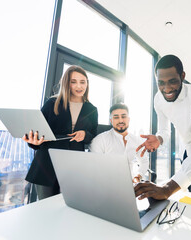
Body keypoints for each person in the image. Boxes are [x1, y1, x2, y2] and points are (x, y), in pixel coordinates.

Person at [135, 54, 191, 200]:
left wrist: (167, 189)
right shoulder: (158, 99)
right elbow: (164, 130)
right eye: (161, 83)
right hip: (186, 150)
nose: (166, 89)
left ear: (182, 76)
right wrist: (159, 138)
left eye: (172, 81)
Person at [23, 65, 98, 200]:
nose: (79, 86)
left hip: (73, 164)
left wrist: (85, 135)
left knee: (68, 207)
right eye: (73, 81)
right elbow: (38, 131)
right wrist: (33, 142)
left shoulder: (91, 109)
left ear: (87, 83)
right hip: (47, 162)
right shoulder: (52, 103)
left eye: (83, 82)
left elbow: (93, 135)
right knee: (46, 209)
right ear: (66, 83)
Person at [90, 103, 149, 183]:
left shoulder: (136, 140)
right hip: (106, 184)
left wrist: (138, 175)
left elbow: (144, 161)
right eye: (116, 117)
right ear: (111, 121)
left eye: (123, 116)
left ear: (128, 119)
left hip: (131, 184)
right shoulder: (99, 140)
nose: (120, 120)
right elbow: (94, 167)